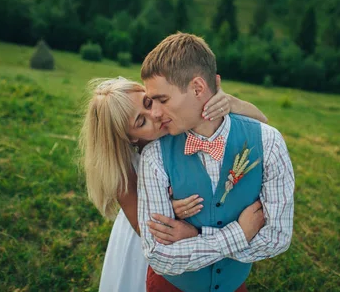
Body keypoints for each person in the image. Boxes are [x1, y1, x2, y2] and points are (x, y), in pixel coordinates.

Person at [138, 33, 295, 292]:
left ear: (198, 88)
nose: (154, 113)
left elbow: (277, 238)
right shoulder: (154, 155)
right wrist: (239, 235)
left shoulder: (269, 142)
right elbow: (159, 256)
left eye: (162, 100)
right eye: (150, 102)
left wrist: (197, 237)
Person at [80, 77, 268, 292]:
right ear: (130, 138)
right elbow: (149, 231)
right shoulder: (124, 171)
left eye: (148, 102)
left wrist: (232, 103)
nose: (155, 115)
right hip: (157, 240)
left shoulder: (180, 121)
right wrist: (168, 207)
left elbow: (262, 122)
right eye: (141, 122)